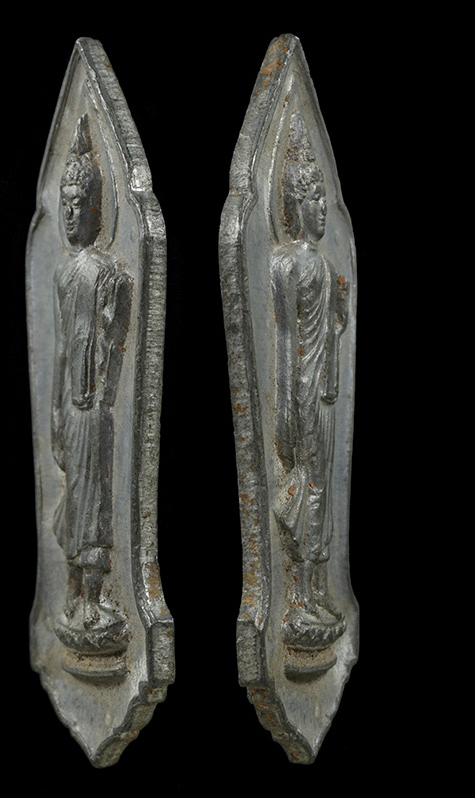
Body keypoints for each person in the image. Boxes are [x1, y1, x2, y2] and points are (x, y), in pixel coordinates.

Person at [51, 115, 132, 646]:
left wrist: (98, 394)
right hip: (71, 404)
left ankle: (96, 596)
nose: (70, 214)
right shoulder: (64, 274)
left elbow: (114, 342)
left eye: (79, 204)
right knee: (77, 498)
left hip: (95, 404)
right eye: (65, 204)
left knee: (97, 498)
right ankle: (76, 594)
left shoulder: (105, 274)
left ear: (98, 209)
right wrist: (55, 412)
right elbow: (61, 346)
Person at [271, 113, 348, 649]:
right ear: (295, 206)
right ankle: (299, 593)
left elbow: (331, 330)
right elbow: (282, 341)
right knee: (311, 488)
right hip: (302, 392)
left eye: (324, 198)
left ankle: (317, 588)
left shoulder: (322, 265)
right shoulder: (287, 266)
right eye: (314, 199)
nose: (321, 208)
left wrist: (340, 311)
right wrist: (284, 411)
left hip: (324, 391)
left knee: (322, 487)